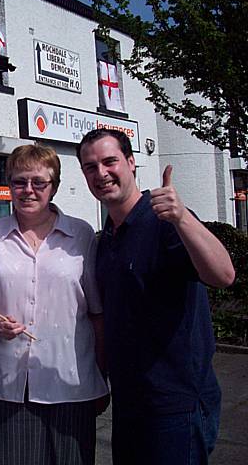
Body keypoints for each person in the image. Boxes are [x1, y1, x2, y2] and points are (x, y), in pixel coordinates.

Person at [76, 128, 235, 465]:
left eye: (109, 162)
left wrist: (182, 218)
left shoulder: (165, 220)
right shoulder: (106, 241)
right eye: (91, 167)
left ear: (131, 163)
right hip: (130, 403)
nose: (101, 173)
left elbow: (223, 275)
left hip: (175, 405)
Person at [0, 143, 109, 465]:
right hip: (2, 385)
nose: (28, 190)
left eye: (39, 182)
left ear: (53, 186)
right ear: (9, 185)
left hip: (70, 382)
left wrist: (102, 377)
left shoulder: (81, 235)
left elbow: (96, 314)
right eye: (19, 181)